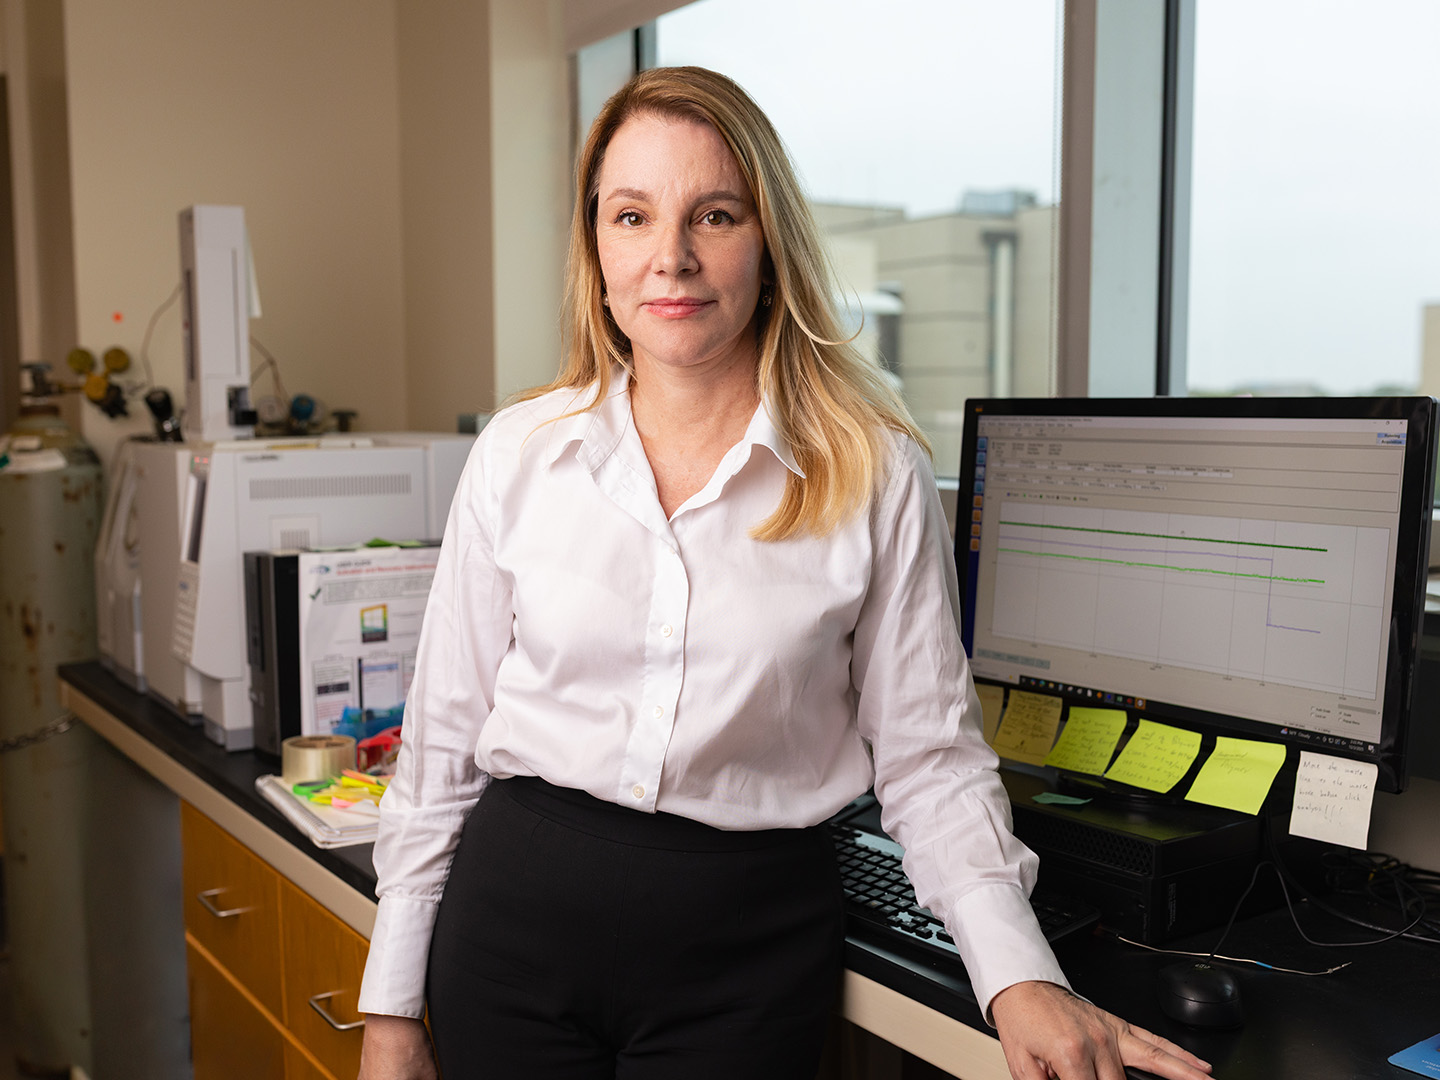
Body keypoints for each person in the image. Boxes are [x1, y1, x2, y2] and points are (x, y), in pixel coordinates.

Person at [356, 66, 1215, 1080]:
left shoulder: (872, 468)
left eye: (714, 215)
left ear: (770, 243)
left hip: (745, 959)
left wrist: (1018, 974)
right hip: (510, 933)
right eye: (632, 216)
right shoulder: (520, 451)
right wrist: (391, 1009)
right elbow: (443, 744)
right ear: (597, 248)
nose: (671, 257)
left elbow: (930, 759)